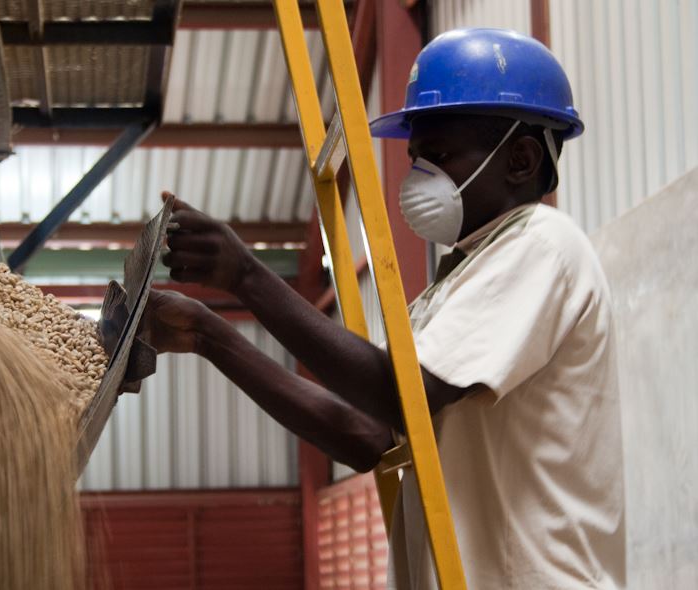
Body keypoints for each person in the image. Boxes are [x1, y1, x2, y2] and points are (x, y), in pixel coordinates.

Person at [142, 28, 625, 589]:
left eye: (439, 157)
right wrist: (207, 335)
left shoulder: (542, 245)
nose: (418, 177)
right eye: (416, 159)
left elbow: (403, 395)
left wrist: (246, 276)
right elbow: (366, 434)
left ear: (520, 159)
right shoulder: (459, 281)